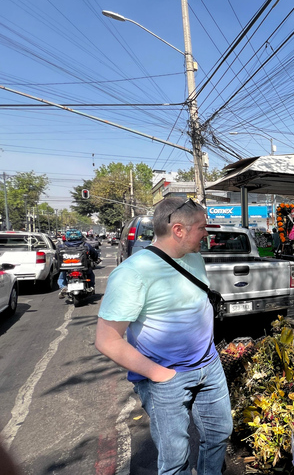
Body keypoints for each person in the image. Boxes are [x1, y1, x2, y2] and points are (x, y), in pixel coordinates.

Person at [94, 197, 232, 475]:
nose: (207, 233)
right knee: (175, 459)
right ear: (178, 230)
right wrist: (159, 374)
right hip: (167, 378)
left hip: (209, 366)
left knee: (219, 435)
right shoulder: (133, 272)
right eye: (201, 227)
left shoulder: (193, 257)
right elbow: (107, 340)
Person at [57, 230, 98, 298]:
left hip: (66, 267)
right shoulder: (85, 245)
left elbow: (57, 256)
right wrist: (95, 259)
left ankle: (63, 287)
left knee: (62, 277)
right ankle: (91, 286)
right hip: (82, 267)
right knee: (90, 274)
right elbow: (94, 254)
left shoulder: (61, 246)